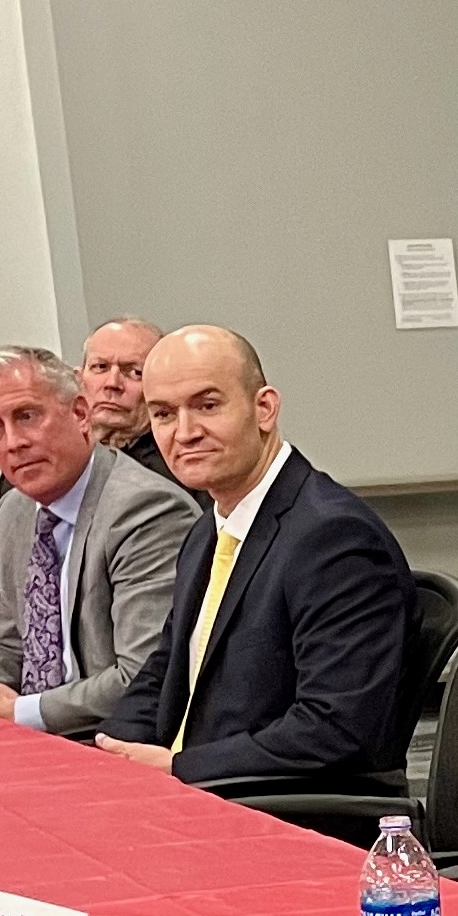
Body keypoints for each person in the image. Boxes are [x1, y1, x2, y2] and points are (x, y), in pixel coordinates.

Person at [96, 326, 414, 786]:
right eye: (163, 414)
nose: (184, 432)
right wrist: (109, 754)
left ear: (263, 408)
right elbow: (166, 670)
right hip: (202, 792)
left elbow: (336, 728)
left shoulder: (334, 538)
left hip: (286, 810)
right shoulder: (210, 525)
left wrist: (177, 768)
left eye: (207, 406)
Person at [0, 346, 194, 737]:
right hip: (38, 730)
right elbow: (9, 646)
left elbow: (142, 676)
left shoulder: (144, 510)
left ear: (79, 414)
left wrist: (18, 712)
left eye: (26, 416)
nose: (13, 443)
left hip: (115, 738)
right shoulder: (13, 512)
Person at [80, 315, 184, 491]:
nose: (112, 383)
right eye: (100, 367)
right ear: (79, 378)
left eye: (135, 372)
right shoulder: (55, 465)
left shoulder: (181, 468)